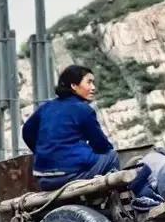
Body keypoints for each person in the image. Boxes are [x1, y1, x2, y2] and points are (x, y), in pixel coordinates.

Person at [22, 65, 154, 207]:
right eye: (89, 82)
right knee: (111, 156)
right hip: (68, 175)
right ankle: (114, 202)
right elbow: (101, 145)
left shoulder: (46, 107)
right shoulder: (83, 109)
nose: (93, 87)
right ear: (74, 85)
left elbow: (27, 132)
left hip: (43, 179)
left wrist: (43, 151)